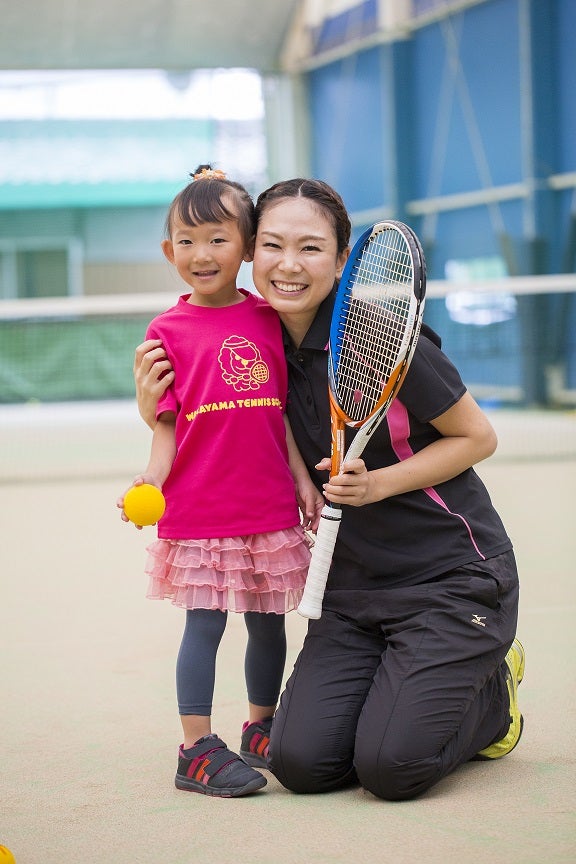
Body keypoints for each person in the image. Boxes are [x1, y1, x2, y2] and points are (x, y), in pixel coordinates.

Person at [134, 176, 524, 802]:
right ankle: (405, 689)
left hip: (448, 579)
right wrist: (152, 409)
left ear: (342, 260)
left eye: (311, 248)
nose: (288, 265)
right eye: (272, 245)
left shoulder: (382, 338)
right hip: (351, 591)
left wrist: (379, 486)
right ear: (249, 252)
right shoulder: (257, 341)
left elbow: (477, 438)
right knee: (303, 764)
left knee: (391, 768)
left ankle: (493, 696)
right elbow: (214, 424)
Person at [118, 166, 322, 799]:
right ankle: (195, 749)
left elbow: (280, 414)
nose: (200, 255)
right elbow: (163, 425)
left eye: (217, 238)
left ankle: (259, 728)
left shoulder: (270, 319)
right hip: (201, 510)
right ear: (167, 250)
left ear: (247, 245)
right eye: (186, 240)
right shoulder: (166, 334)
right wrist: (148, 479)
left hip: (268, 508)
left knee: (268, 625)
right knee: (204, 627)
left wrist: (302, 483)